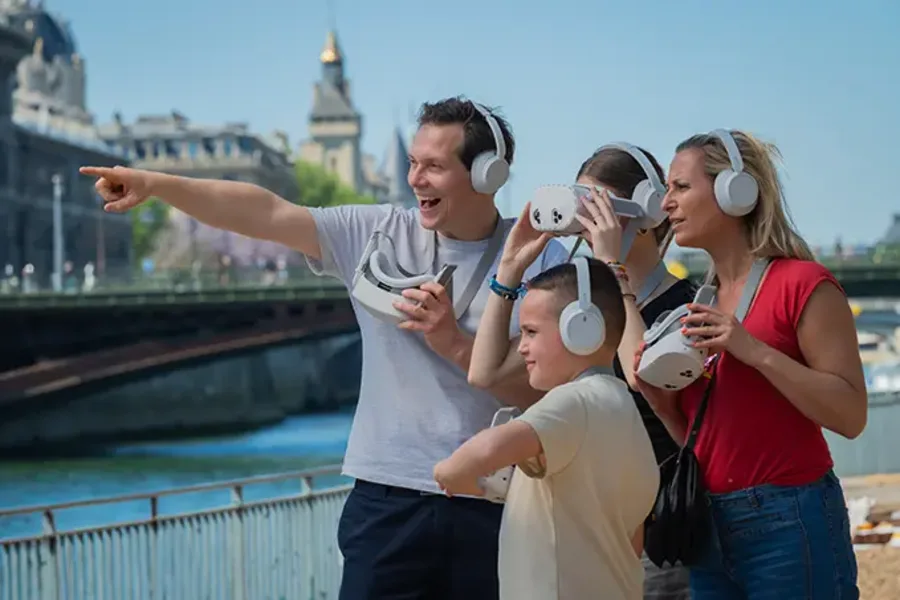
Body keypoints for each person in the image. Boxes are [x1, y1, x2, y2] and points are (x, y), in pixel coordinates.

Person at [80, 96, 569, 600]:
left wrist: (454, 343)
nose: (415, 179)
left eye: (434, 167)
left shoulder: (538, 258)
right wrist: (156, 185)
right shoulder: (376, 232)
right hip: (386, 501)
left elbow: (549, 393)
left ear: (487, 175)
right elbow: (265, 211)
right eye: (413, 163)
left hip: (496, 504)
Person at [634, 129, 866, 598]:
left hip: (790, 520)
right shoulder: (701, 302)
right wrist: (662, 405)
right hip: (711, 527)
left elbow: (851, 416)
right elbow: (715, 442)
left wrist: (754, 351)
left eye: (681, 187)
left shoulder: (804, 284)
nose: (667, 204)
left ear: (734, 191)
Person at [438, 211, 659, 600]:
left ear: (582, 328)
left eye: (531, 332)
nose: (521, 346)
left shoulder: (573, 402)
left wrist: (450, 476)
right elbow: (631, 544)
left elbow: (478, 454)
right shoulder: (624, 411)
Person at [573, 143, 695, 599]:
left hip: (662, 528)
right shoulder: (583, 309)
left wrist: (610, 266)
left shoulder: (686, 305)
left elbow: (643, 376)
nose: (590, 224)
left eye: (602, 209)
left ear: (645, 210)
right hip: (595, 526)